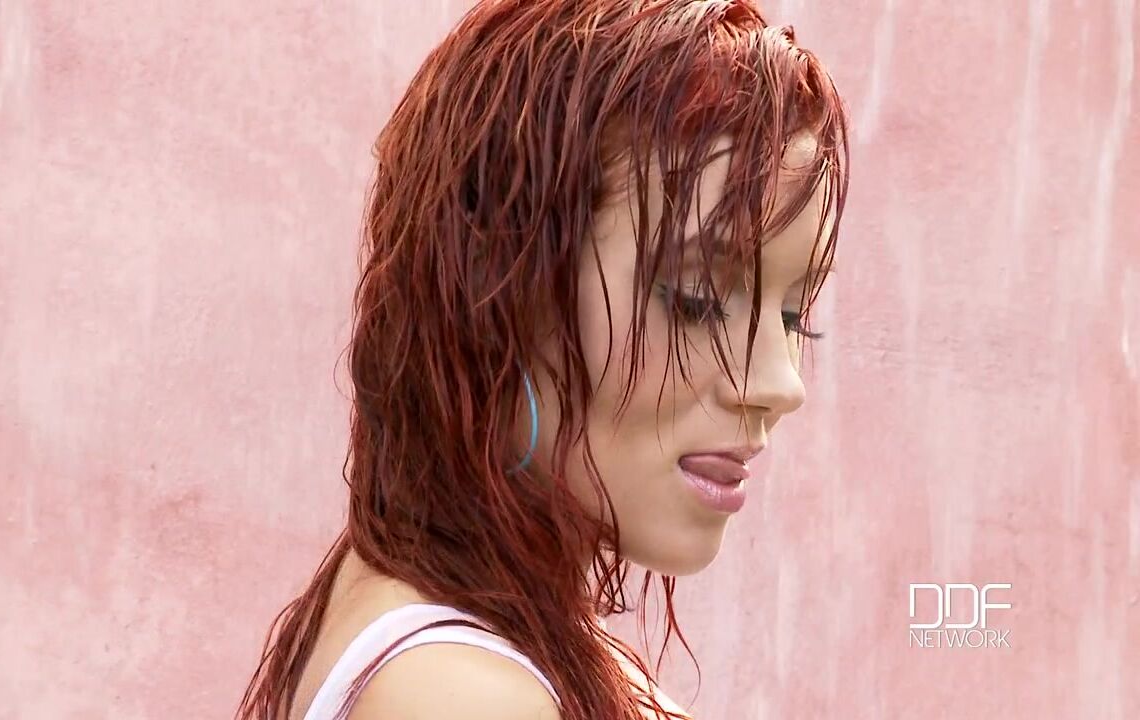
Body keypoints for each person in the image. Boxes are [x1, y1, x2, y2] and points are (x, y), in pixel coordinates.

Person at [237, 1, 849, 718]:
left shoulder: (458, 618)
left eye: (793, 317)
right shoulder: (460, 693)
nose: (779, 383)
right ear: (497, 292)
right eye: (696, 300)